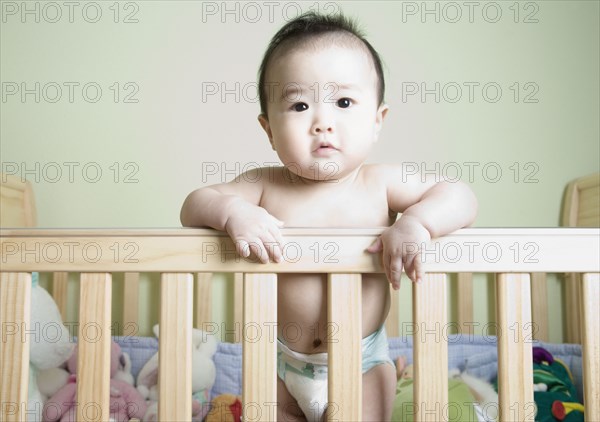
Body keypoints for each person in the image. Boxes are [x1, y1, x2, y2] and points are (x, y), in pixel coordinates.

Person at [181, 11, 477, 422]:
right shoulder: (263, 184)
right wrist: (232, 211)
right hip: (282, 364)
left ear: (377, 121)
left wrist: (417, 223)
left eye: (343, 102)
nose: (323, 123)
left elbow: (459, 194)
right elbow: (194, 204)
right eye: (300, 104)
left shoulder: (380, 183)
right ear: (268, 130)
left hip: (362, 363)